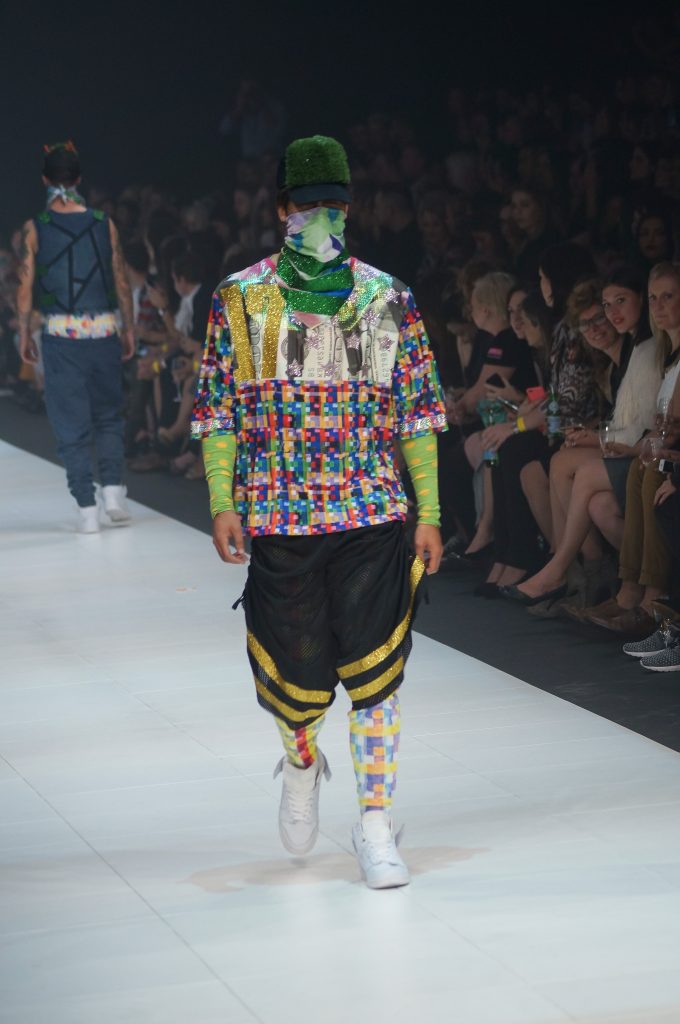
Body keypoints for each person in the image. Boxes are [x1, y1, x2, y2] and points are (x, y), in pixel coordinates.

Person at [191, 135, 446, 889]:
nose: (322, 217)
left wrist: (429, 510)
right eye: (308, 205)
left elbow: (417, 411)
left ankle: (376, 824)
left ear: (350, 207)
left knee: (377, 679)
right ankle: (301, 762)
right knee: (297, 685)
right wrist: (221, 500)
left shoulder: (388, 297)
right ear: (282, 208)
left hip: (372, 511)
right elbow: (219, 408)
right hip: (279, 517)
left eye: (334, 204)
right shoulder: (240, 298)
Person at [16, 142, 134, 532]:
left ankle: (87, 508)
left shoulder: (35, 228)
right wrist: (129, 328)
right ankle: (113, 492)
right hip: (103, 329)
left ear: (44, 180)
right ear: (79, 179)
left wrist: (24, 332)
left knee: (70, 422)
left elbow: (25, 287)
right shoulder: (104, 222)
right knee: (108, 415)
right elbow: (121, 280)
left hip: (61, 334)